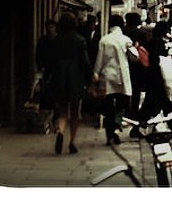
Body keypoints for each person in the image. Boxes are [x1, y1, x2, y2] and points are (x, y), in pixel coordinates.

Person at [46, 11, 92, 155]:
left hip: (59, 78)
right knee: (74, 112)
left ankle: (60, 132)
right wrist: (91, 76)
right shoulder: (80, 40)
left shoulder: (55, 40)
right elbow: (85, 62)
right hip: (75, 78)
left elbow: (50, 62)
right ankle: (72, 142)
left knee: (62, 111)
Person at [136, 21, 172, 138]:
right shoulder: (157, 43)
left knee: (158, 104)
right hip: (157, 79)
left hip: (153, 78)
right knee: (159, 105)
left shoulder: (153, 41)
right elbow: (158, 61)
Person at [93, 15, 133, 145]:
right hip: (122, 76)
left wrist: (96, 72)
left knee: (108, 106)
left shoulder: (104, 40)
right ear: (122, 25)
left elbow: (100, 59)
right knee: (122, 103)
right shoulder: (126, 40)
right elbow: (135, 58)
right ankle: (117, 123)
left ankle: (109, 134)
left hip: (107, 76)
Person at [123, 12, 149, 138]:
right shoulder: (141, 34)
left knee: (123, 94)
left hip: (123, 68)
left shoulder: (122, 32)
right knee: (136, 94)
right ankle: (134, 122)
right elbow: (145, 52)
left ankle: (124, 116)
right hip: (138, 69)